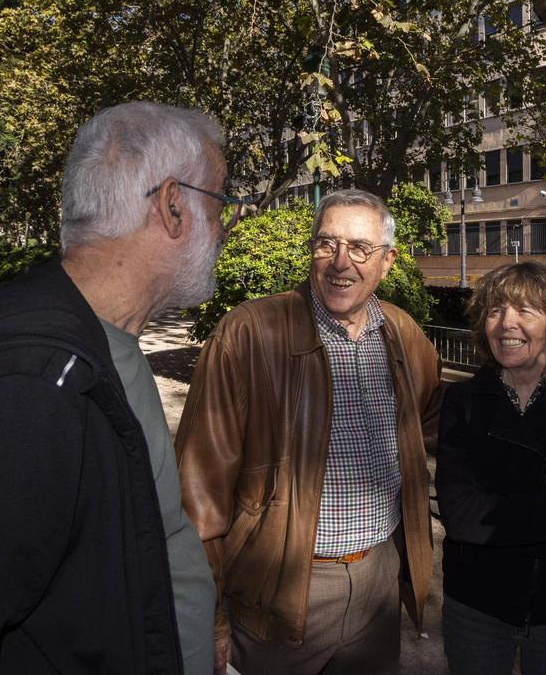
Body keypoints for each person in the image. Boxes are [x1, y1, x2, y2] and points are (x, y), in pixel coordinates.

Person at [0, 102, 233, 674]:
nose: (226, 226)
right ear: (173, 206)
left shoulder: (102, 341)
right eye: (220, 202)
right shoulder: (29, 387)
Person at [175, 189, 442, 675]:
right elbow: (199, 492)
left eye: (360, 247)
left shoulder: (402, 334)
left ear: (387, 262)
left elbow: (435, 424)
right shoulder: (249, 333)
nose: (341, 262)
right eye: (326, 243)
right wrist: (209, 617)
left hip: (380, 583)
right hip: (279, 589)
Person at [435, 262, 546, 675]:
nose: (506, 324)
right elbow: (461, 516)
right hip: (476, 607)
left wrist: (499, 517)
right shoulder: (463, 402)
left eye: (525, 311)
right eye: (495, 311)